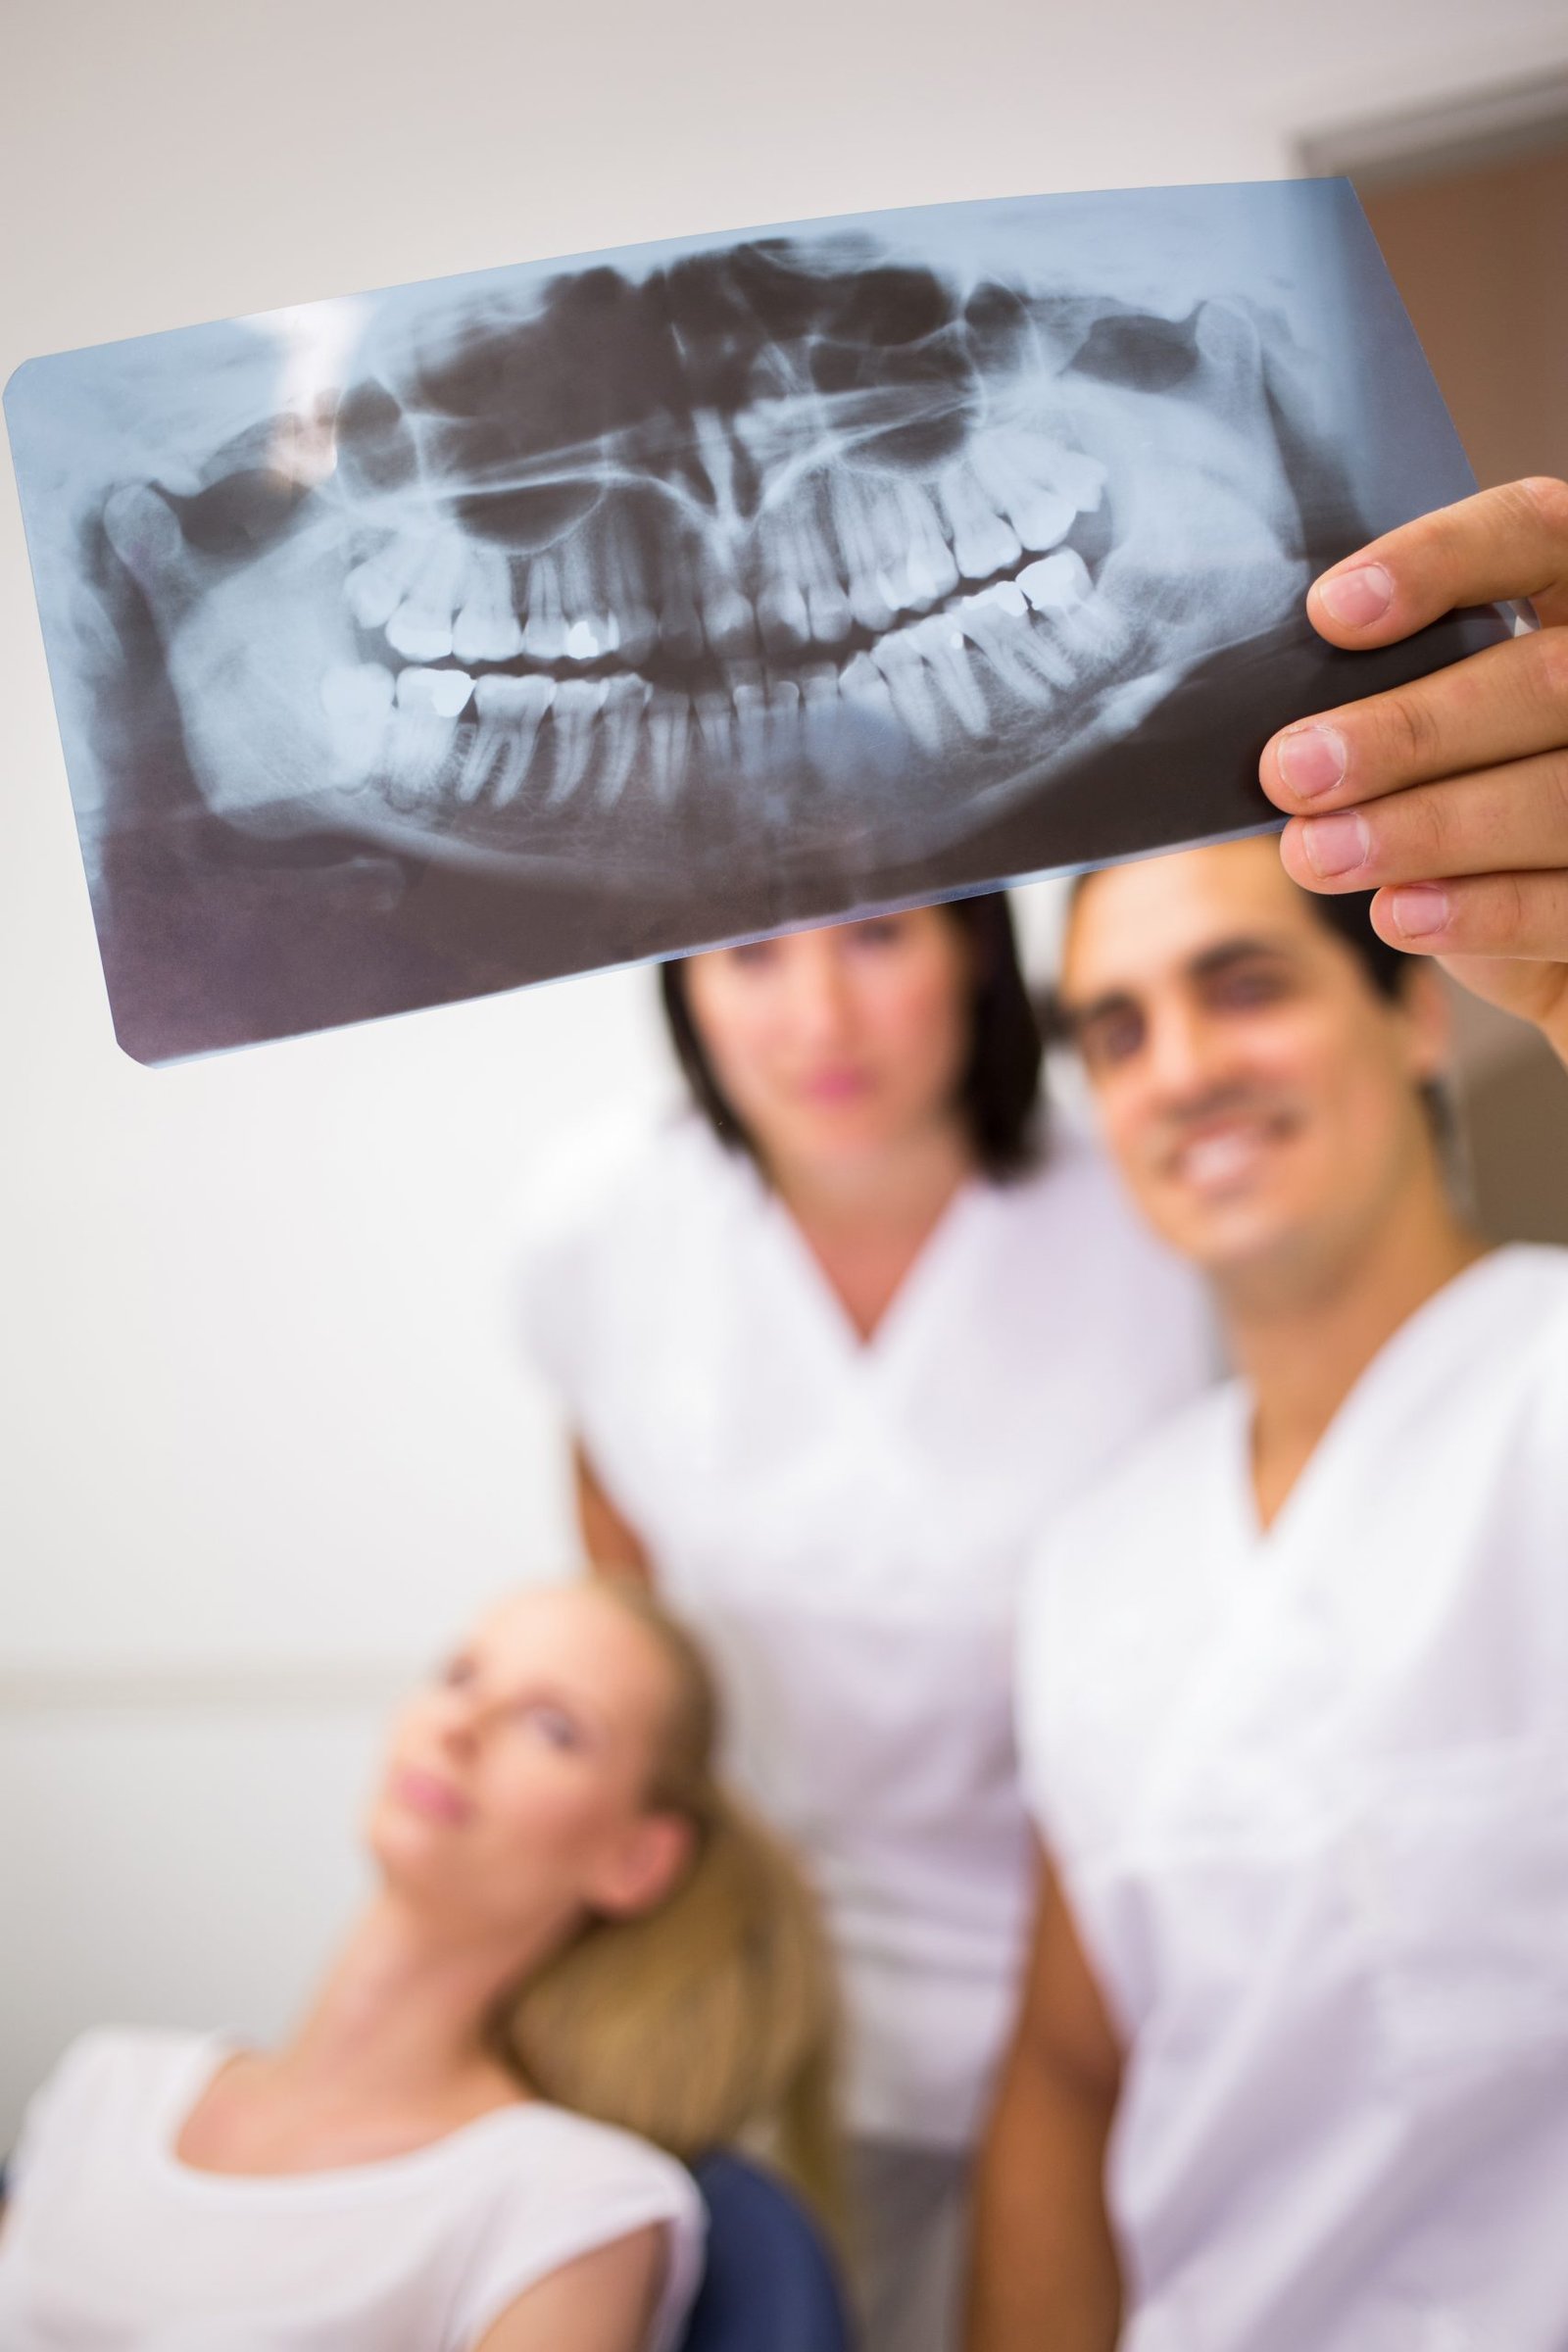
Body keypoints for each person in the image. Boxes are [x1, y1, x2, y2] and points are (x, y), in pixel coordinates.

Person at [968, 466, 1568, 2352]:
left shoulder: (1546, 1393)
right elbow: (1070, 2076)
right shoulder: (1095, 1558)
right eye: (1119, 1031)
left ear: (1413, 1014)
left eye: (1241, 987)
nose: (1182, 1073)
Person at [514, 891, 1215, 2352]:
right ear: (681, 981)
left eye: (878, 935)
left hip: (1122, 1997)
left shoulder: (1156, 1214)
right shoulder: (601, 1227)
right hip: (761, 2008)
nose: (817, 1021)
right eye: (752, 951)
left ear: (973, 942)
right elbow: (636, 1632)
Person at [0, 1577, 840, 2352]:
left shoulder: (572, 2201)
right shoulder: (107, 2091)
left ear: (636, 1860)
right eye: (461, 1675)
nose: (460, 1726)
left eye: (553, 1727)